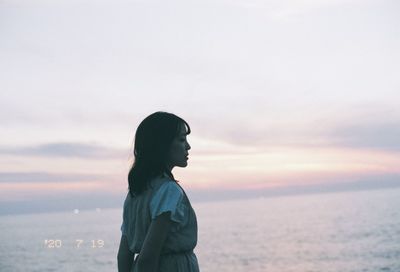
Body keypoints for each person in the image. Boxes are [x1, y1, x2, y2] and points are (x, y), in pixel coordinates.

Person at [117, 111, 199, 272]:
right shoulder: (169, 191)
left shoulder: (135, 193)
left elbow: (123, 255)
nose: (188, 146)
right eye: (182, 139)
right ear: (162, 145)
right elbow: (148, 258)